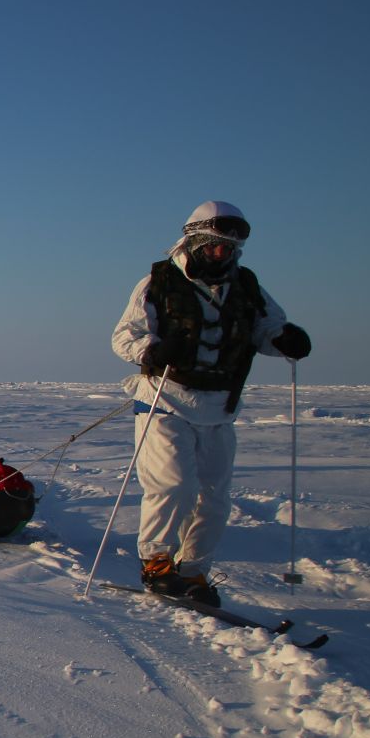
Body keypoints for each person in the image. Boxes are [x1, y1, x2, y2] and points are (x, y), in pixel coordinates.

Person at [111, 201, 310, 604]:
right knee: (173, 487)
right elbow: (124, 336)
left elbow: (266, 327)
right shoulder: (159, 281)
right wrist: (153, 350)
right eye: (215, 246)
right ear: (195, 242)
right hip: (164, 400)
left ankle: (194, 573)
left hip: (220, 406)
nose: (223, 254)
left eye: (230, 249)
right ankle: (158, 563)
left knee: (214, 498)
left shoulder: (247, 286)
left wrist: (285, 339)